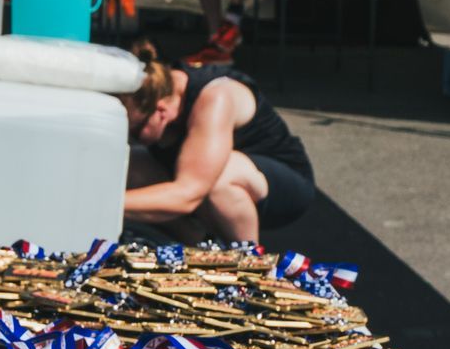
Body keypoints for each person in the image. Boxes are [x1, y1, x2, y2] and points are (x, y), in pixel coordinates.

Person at [121, 42, 315, 245]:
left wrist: (109, 203)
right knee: (129, 164)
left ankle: (248, 259)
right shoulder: (162, 87)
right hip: (202, 182)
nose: (132, 138)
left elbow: (187, 195)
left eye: (136, 131)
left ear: (161, 111)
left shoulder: (215, 98)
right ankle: (200, 246)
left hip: (281, 181)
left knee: (220, 179)